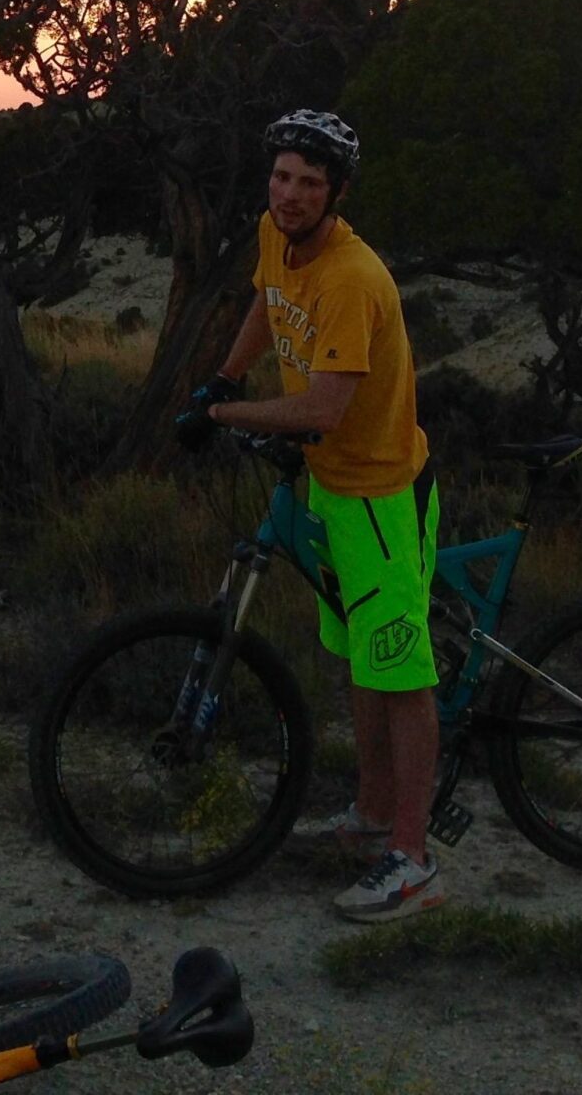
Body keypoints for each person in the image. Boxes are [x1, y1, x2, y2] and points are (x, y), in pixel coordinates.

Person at [184, 109, 446, 924]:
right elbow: (268, 302)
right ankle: (371, 817)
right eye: (282, 177)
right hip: (330, 483)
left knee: (401, 672)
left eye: (309, 183)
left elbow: (327, 408)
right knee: (363, 659)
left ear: (336, 193)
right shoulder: (276, 233)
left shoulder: (352, 277)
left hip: (375, 492)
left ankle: (413, 857)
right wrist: (226, 376)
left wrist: (223, 420)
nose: (290, 195)